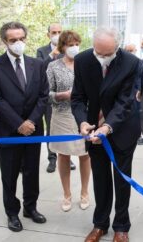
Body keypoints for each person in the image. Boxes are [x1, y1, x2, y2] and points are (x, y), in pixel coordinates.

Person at [71, 27, 141, 242]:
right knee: (100, 179)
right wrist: (82, 121)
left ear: (117, 48)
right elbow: (78, 97)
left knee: (121, 179)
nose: (101, 58)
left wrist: (107, 127)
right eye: (98, 53)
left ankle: (121, 226)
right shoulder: (83, 60)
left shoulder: (131, 62)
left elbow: (126, 101)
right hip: (93, 130)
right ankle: (100, 224)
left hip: (121, 129)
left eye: (107, 54)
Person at [0, 21, 49, 232]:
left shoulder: (38, 64)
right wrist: (18, 124)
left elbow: (43, 96)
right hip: (8, 130)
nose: (18, 43)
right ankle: (12, 212)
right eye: (13, 40)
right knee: (10, 173)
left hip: (33, 129)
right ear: (5, 41)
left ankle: (30, 207)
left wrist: (30, 122)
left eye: (21, 39)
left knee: (32, 172)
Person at [46, 30, 91, 212]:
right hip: (62, 115)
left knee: (85, 154)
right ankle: (66, 194)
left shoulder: (87, 64)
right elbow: (46, 93)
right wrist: (61, 95)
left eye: (76, 44)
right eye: (69, 44)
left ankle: (85, 192)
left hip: (84, 115)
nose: (74, 48)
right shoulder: (53, 67)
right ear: (62, 47)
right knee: (63, 155)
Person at [36, 23, 76, 173]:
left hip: (70, 100)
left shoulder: (68, 48)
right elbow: (39, 69)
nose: (57, 34)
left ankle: (67, 157)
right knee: (51, 128)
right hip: (51, 97)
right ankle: (52, 159)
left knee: (68, 130)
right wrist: (52, 55)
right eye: (54, 32)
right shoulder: (42, 51)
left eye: (59, 31)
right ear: (48, 34)